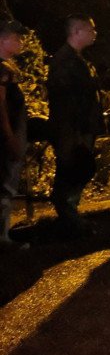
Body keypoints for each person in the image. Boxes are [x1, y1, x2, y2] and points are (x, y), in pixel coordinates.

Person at [47, 14, 103, 236]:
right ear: (77, 32)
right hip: (71, 130)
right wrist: (74, 133)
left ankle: (71, 218)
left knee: (78, 170)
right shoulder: (65, 62)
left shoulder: (77, 60)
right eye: (90, 29)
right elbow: (65, 102)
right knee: (72, 171)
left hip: (80, 128)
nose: (94, 33)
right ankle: (69, 220)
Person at [0, 20, 29, 249]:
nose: (21, 42)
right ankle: (2, 238)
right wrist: (10, 137)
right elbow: (0, 106)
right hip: (5, 139)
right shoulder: (2, 70)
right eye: (16, 38)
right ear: (2, 40)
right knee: (5, 186)